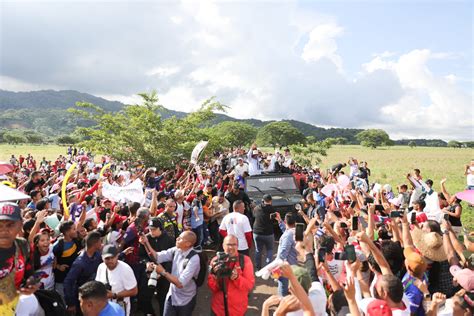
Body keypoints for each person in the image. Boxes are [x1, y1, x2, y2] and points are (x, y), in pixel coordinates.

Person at [145, 231, 200, 316]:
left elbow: (180, 283)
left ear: (188, 244)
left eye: (180, 238)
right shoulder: (176, 250)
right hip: (172, 296)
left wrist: (163, 272)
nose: (177, 239)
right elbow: (156, 256)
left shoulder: (194, 259)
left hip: (186, 299)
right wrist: (146, 243)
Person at [0, 202, 39, 315]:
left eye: (10, 225)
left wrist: (30, 283)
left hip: (16, 305)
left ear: (20, 225)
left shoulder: (23, 246)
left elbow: (29, 273)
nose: (4, 230)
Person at [208, 235, 255, 316]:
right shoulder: (216, 260)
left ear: (238, 246)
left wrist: (237, 278)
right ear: (223, 245)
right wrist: (215, 277)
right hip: (218, 309)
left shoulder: (245, 261)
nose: (231, 247)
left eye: (234, 245)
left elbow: (249, 286)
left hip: (237, 311)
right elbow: (212, 287)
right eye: (228, 244)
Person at [138, 217, 175, 316]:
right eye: (149, 229)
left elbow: (172, 259)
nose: (151, 232)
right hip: (149, 273)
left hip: (164, 273)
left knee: (163, 298)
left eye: (154, 229)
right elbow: (141, 256)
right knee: (144, 297)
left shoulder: (169, 240)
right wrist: (146, 263)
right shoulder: (145, 239)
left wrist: (163, 272)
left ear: (161, 229)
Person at [64, 231, 103, 315]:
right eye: (100, 241)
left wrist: (122, 254)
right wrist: (70, 303)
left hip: (93, 296)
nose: (101, 243)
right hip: (82, 299)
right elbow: (68, 282)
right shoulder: (79, 263)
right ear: (95, 243)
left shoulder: (96, 255)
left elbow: (105, 262)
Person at [95, 245, 138, 316]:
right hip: (104, 308)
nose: (110, 261)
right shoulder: (101, 267)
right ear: (102, 258)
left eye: (112, 258)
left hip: (119, 309)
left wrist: (114, 295)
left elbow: (134, 291)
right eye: (107, 258)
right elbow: (97, 285)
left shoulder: (125, 269)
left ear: (117, 256)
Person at [53, 220, 83, 297]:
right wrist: (58, 266)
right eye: (73, 229)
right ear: (66, 232)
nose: (76, 231)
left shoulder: (76, 240)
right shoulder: (58, 246)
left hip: (75, 278)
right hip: (62, 280)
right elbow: (50, 261)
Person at [252, 194, 276, 271]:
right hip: (268, 233)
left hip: (257, 232)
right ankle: (268, 269)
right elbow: (273, 220)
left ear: (263, 200)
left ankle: (258, 268)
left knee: (258, 250)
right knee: (270, 250)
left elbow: (254, 215)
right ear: (271, 201)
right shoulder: (272, 209)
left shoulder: (257, 208)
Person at [276, 213, 298, 296]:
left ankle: (283, 302)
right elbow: (286, 230)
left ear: (285, 221)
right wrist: (279, 221)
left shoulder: (288, 235)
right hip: (293, 264)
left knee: (282, 285)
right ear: (295, 222)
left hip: (284, 266)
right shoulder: (295, 231)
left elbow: (283, 252)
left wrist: (276, 267)